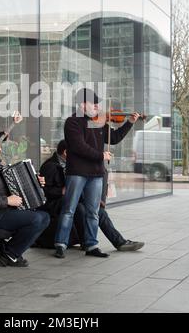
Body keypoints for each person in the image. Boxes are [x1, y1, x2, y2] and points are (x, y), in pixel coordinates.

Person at [54, 88, 140, 259]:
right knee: (69, 209)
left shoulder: (98, 121)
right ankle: (60, 244)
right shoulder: (73, 122)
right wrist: (100, 155)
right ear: (82, 104)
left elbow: (114, 138)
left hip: (96, 174)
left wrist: (129, 122)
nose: (96, 106)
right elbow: (79, 146)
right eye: (93, 103)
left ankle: (91, 245)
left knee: (93, 212)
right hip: (77, 172)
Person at [38, 140, 144, 252]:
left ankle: (119, 242)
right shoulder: (50, 166)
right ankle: (86, 242)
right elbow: (43, 192)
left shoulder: (71, 165)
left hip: (72, 200)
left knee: (98, 211)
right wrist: (61, 191)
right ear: (66, 152)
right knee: (80, 209)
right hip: (55, 204)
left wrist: (92, 199)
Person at [0, 132, 50, 267]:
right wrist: (7, 201)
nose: (0, 149)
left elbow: (5, 187)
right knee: (37, 219)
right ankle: (10, 253)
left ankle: (9, 251)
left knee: (44, 216)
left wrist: (35, 181)